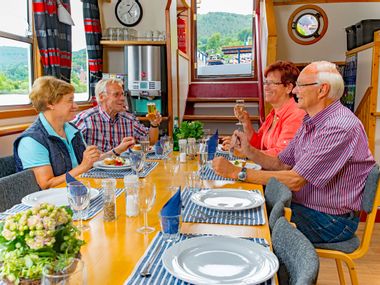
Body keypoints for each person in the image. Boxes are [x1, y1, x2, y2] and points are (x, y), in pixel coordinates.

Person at [213, 61, 375, 243]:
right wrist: (249, 151)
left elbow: (295, 180)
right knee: (243, 209)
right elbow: (281, 163)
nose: (295, 91)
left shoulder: (339, 126)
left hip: (331, 220)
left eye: (300, 85)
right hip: (306, 207)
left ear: (322, 90)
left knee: (247, 219)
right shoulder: (310, 120)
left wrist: (237, 173)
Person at [13, 76, 103, 190]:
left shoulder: (72, 129)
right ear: (50, 103)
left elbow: (87, 163)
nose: (76, 106)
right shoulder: (31, 141)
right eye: (70, 100)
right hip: (49, 203)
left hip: (79, 191)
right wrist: (83, 166)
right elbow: (46, 185)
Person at [223, 60, 305, 156]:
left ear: (288, 87)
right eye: (266, 82)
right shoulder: (273, 113)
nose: (266, 87)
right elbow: (258, 144)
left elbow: (282, 156)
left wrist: (242, 152)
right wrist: (246, 122)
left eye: (272, 83)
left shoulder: (296, 115)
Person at [72, 78, 162, 153]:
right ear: (102, 97)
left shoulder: (129, 119)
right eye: (116, 95)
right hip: (95, 172)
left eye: (122, 94)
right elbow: (70, 149)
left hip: (125, 170)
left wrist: (154, 124)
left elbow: (150, 141)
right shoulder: (85, 119)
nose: (123, 98)